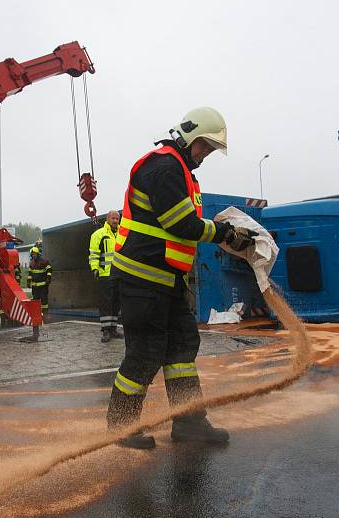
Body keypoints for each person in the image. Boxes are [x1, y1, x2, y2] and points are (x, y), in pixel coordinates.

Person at [107, 107, 257, 449]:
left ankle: (190, 423)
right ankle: (119, 429)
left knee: (182, 348)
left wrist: (221, 232)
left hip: (166, 280)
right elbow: (182, 224)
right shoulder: (164, 167)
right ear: (189, 136)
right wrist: (225, 233)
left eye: (210, 150)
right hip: (143, 279)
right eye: (204, 146)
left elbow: (182, 226)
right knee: (145, 352)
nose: (205, 155)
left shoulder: (179, 170)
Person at [89, 210, 123, 343]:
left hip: (119, 274)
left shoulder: (123, 233)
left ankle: (113, 329)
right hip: (105, 274)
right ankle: (106, 331)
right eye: (113, 218)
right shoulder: (98, 234)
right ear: (107, 219)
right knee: (106, 303)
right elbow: (94, 253)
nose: (115, 221)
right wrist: (95, 268)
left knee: (116, 302)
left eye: (117, 218)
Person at [28, 246, 52, 319]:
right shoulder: (31, 263)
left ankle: (45, 314)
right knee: (36, 301)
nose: (33, 256)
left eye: (34, 254)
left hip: (43, 285)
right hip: (35, 287)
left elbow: (49, 270)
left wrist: (48, 279)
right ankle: (37, 315)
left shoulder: (44, 261)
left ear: (38, 254)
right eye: (32, 254)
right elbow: (30, 274)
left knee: (44, 300)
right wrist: (28, 281)